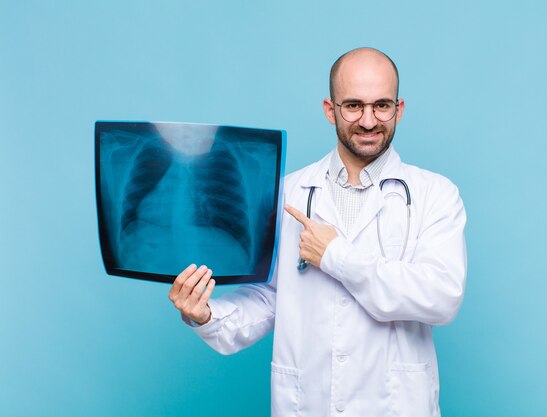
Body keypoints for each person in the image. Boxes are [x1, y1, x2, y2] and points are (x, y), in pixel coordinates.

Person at [169, 47, 467, 417]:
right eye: (354, 105)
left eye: (382, 106)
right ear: (330, 110)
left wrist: (336, 255)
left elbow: (441, 296)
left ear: (399, 109)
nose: (369, 121)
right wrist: (207, 315)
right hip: (306, 403)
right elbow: (269, 298)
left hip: (395, 405)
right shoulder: (288, 193)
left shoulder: (434, 194)